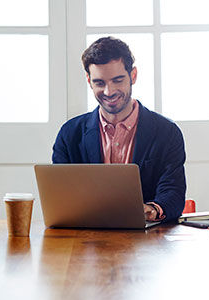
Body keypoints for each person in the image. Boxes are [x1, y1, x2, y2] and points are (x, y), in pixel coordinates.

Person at [52, 36, 186, 222]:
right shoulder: (69, 134)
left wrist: (152, 209)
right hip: (85, 239)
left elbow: (173, 192)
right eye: (100, 83)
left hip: (147, 240)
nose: (109, 91)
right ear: (89, 80)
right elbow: (60, 196)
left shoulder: (167, 132)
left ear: (133, 75)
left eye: (117, 80)